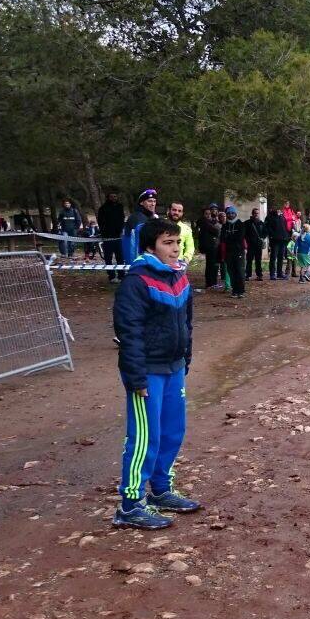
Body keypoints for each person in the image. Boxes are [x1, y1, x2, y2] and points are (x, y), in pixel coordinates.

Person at [111, 218, 200, 530]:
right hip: (148, 372)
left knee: (173, 431)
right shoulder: (137, 281)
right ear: (151, 247)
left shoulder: (179, 277)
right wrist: (136, 378)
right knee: (143, 437)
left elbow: (187, 324)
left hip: (174, 368)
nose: (175, 249)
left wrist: (185, 358)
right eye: (167, 243)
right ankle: (130, 504)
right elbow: (129, 333)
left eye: (177, 242)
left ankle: (161, 490)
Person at [122, 189, 158, 267]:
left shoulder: (152, 217)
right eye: (150, 201)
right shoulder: (137, 218)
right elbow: (134, 244)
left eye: (154, 201)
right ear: (141, 202)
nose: (153, 204)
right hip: (139, 259)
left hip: (150, 257)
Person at [220, 206, 247, 299]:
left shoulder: (240, 224)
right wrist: (231, 238)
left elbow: (240, 237)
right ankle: (234, 290)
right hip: (228, 252)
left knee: (239, 271)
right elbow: (223, 238)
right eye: (228, 213)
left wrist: (230, 238)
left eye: (232, 213)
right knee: (231, 272)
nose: (230, 215)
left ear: (235, 214)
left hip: (239, 251)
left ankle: (241, 291)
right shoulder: (225, 226)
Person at [97, 192, 126, 281]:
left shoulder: (119, 207)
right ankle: (111, 276)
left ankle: (121, 275)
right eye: (112, 196)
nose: (114, 198)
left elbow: (122, 218)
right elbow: (101, 222)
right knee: (108, 257)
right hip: (107, 237)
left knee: (120, 257)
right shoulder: (103, 208)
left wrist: (120, 230)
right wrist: (103, 232)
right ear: (108, 197)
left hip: (118, 236)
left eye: (115, 196)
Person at [195, 205, 221, 290]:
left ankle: (212, 282)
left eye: (209, 214)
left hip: (212, 246)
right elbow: (216, 231)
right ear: (203, 215)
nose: (209, 215)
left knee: (212, 265)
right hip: (210, 246)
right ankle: (210, 283)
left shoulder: (207, 222)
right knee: (211, 265)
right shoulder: (204, 222)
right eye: (206, 214)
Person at [167, 202, 195, 268]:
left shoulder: (186, 229)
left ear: (182, 213)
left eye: (179, 211)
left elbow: (190, 247)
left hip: (178, 265)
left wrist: (186, 259)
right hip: (161, 263)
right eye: (174, 210)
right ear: (169, 210)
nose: (176, 213)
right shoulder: (160, 225)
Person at [265, 207, 288, 280]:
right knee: (273, 257)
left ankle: (279, 273)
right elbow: (268, 228)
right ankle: (272, 274)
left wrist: (286, 236)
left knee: (281, 257)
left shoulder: (282, 216)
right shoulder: (270, 217)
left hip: (283, 240)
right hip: (275, 241)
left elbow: (285, 227)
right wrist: (272, 236)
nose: (278, 209)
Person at [244, 208, 267, 281]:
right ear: (252, 214)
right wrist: (248, 240)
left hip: (258, 245)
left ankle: (259, 275)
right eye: (255, 213)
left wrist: (262, 238)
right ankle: (247, 275)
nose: (256, 214)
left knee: (258, 260)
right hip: (250, 245)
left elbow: (265, 232)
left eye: (257, 213)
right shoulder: (247, 223)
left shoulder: (261, 223)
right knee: (249, 260)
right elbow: (244, 233)